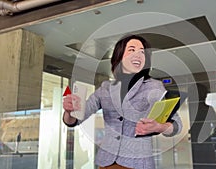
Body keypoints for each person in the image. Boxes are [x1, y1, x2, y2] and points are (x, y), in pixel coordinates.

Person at [63, 34, 183, 169]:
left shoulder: (153, 86)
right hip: (106, 162)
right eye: (131, 50)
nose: (137, 55)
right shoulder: (106, 88)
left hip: (138, 163)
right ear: (119, 56)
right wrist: (69, 111)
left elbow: (177, 124)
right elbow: (75, 119)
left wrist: (159, 127)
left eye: (142, 52)